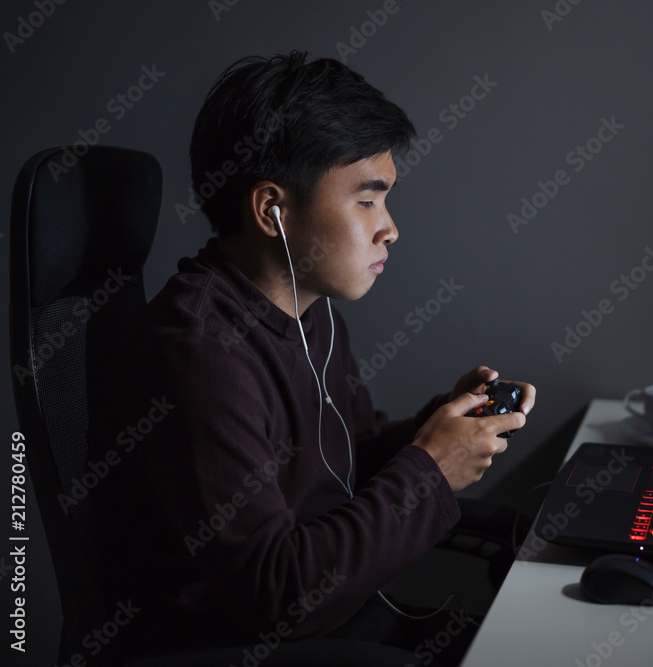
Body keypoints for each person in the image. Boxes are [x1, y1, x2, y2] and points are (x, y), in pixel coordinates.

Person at [87, 51, 535, 662]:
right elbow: (274, 594)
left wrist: (444, 426)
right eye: (367, 200)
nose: (390, 228)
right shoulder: (197, 356)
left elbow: (349, 457)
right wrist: (432, 469)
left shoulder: (308, 308)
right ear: (272, 209)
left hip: (336, 623)